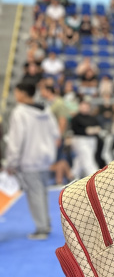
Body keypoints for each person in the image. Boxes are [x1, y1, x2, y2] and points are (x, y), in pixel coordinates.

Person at [4, 83, 60, 240]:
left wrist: (11, 162)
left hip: (29, 159)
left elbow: (16, 140)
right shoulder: (46, 109)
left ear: (22, 93)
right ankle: (46, 223)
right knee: (42, 192)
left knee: (35, 194)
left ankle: (42, 228)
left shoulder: (19, 112)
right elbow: (55, 133)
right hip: (46, 157)